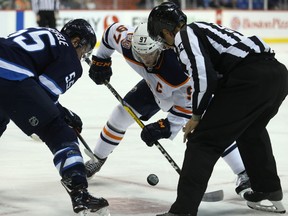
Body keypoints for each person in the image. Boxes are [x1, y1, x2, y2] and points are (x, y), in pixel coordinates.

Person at [147, 2, 288, 215]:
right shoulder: (203, 28)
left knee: (202, 141)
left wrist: (196, 116)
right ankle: (268, 189)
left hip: (250, 80)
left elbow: (203, 76)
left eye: (161, 37)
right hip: (277, 75)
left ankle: (182, 210)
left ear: (167, 31)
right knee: (252, 132)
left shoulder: (184, 35)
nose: (165, 45)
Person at [85, 22, 250, 195]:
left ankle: (243, 172)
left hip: (185, 92)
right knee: (121, 114)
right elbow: (111, 32)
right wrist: (101, 60)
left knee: (208, 128)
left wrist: (167, 126)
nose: (146, 59)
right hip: (154, 85)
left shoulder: (178, 65)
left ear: (161, 46)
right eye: (140, 54)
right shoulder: (127, 43)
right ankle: (97, 158)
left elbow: (187, 104)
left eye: (150, 53)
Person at [0, 19, 109, 214]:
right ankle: (78, 190)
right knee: (59, 131)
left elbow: (37, 94)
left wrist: (60, 109)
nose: (82, 55)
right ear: (76, 41)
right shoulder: (68, 52)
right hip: (10, 75)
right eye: (84, 50)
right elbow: (45, 93)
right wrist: (64, 114)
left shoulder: (44, 32)